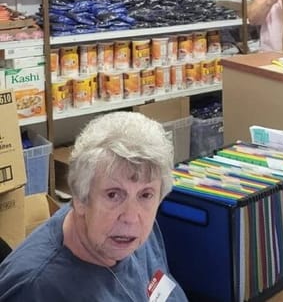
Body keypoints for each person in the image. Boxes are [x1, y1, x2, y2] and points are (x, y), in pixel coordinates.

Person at [0, 112, 188, 301]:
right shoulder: (34, 289)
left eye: (146, 195)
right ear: (80, 199)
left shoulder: (136, 232)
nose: (131, 217)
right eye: (113, 195)